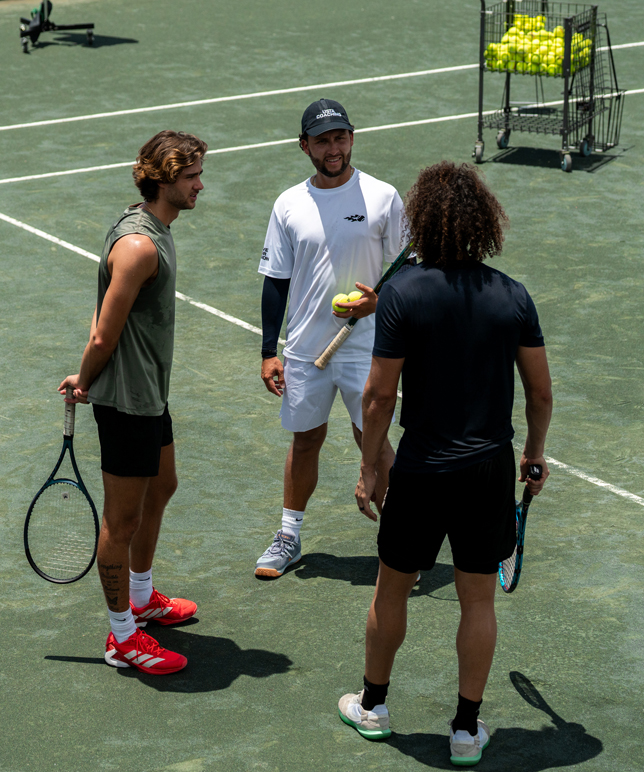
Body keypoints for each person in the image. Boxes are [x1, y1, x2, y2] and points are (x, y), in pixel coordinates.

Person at [338, 161, 553, 766]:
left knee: (392, 588)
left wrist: (370, 466)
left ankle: (373, 707)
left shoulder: (403, 294)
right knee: (478, 601)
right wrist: (534, 453)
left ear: (424, 223)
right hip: (488, 468)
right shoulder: (513, 296)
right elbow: (540, 394)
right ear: (484, 222)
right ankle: (465, 730)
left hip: (423, 467)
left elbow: (379, 396)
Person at [58, 130, 208, 675]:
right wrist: (86, 379)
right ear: (163, 180)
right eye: (191, 176)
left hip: (148, 392)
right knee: (121, 521)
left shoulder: (152, 228)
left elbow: (106, 316)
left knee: (163, 485)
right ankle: (122, 636)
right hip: (127, 401)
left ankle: (141, 598)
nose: (199, 185)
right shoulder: (140, 247)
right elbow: (104, 334)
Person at [255, 98, 406, 578]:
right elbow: (275, 281)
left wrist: (379, 303)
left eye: (340, 138)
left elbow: (408, 273)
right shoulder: (288, 204)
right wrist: (268, 351)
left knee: (373, 440)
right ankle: (288, 535)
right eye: (323, 141)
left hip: (368, 347)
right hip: (305, 348)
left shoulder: (382, 197)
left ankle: (401, 542)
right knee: (306, 440)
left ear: (352, 139)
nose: (333, 149)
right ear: (305, 146)